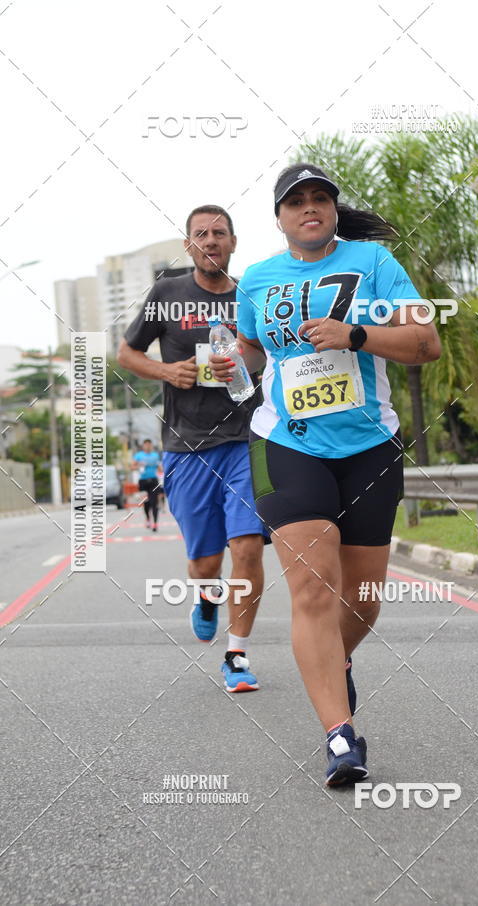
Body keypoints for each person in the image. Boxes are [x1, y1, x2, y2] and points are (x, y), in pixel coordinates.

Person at [210, 163, 441, 784]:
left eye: (320, 199)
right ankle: (340, 738)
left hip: (369, 445)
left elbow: (427, 341)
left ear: (333, 210)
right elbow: (255, 353)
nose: (309, 208)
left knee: (363, 600)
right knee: (313, 588)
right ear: (280, 218)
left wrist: (356, 334)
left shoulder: (376, 263)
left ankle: (333, 663)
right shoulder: (257, 279)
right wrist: (235, 356)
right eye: (296, 202)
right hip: (287, 442)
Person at [117, 205, 269, 692]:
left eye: (219, 233)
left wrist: (247, 362)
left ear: (233, 242)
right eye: (201, 234)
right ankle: (206, 598)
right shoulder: (167, 293)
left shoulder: (251, 293)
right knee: (206, 564)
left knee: (246, 546)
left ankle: (237, 653)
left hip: (248, 439)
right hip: (186, 447)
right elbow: (127, 352)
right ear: (189, 245)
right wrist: (167, 371)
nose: (210, 240)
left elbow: (269, 351)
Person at [133, 438, 161, 531]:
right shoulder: (138, 456)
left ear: (151, 446)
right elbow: (132, 467)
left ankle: (155, 523)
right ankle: (148, 519)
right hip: (143, 482)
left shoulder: (155, 455)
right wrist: (139, 465)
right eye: (146, 445)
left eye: (149, 444)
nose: (148, 446)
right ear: (143, 446)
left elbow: (160, 468)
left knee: (154, 503)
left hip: (153, 480)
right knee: (146, 502)